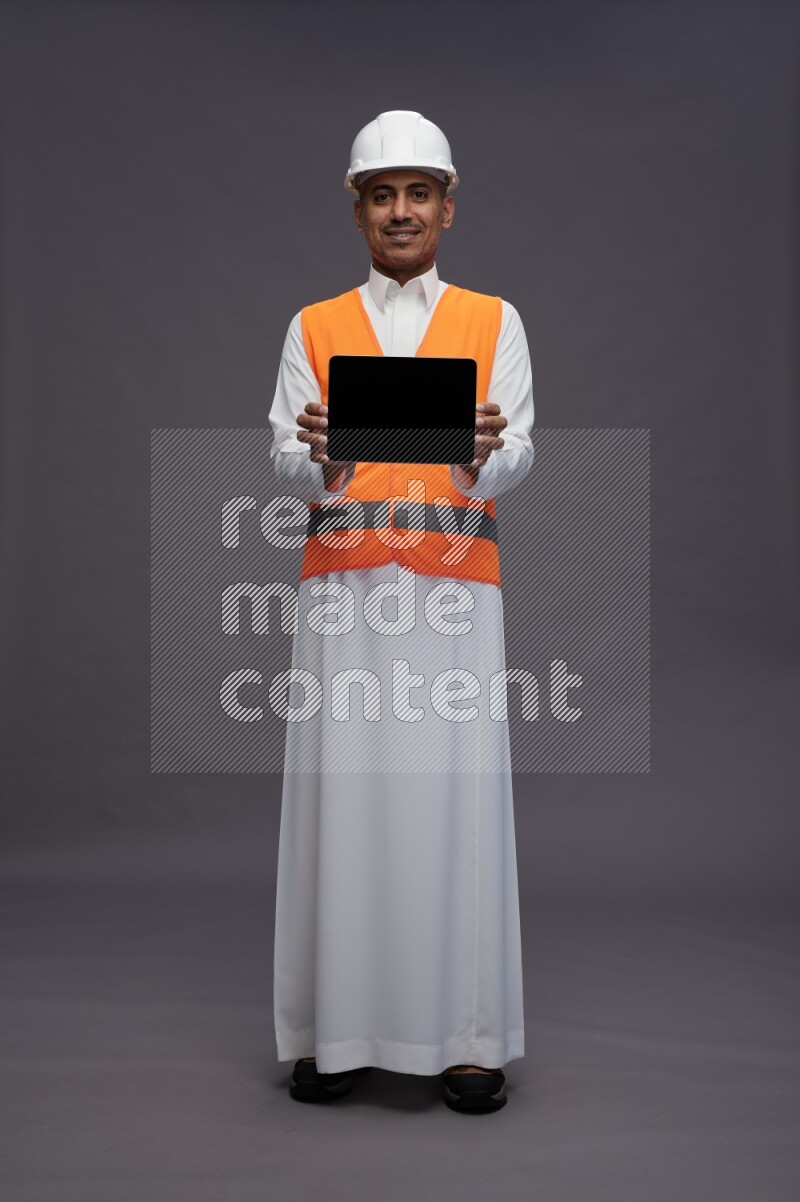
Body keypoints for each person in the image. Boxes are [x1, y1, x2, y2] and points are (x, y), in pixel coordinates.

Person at [268, 110, 534, 1114]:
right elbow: (287, 455)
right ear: (358, 210)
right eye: (381, 194)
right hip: (343, 594)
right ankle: (335, 1032)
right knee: (344, 798)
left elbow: (516, 451)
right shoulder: (313, 325)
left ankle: (465, 1037)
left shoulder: (493, 320)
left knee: (453, 802)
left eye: (418, 192)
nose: (400, 210)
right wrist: (321, 453)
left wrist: (482, 450)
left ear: (446, 208)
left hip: (455, 595)